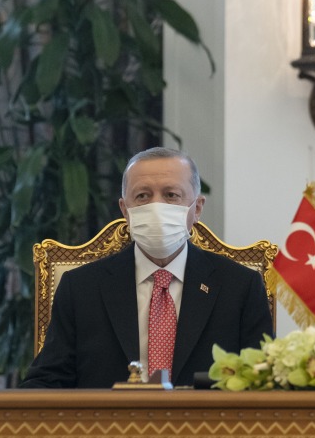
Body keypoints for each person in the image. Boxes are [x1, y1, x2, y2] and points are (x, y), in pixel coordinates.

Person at [20, 147, 273, 388]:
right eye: (143, 196)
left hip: (205, 429)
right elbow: (47, 381)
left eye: (171, 195)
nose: (156, 207)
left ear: (196, 208)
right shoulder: (81, 288)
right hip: (109, 429)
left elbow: (262, 381)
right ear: (125, 210)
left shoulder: (240, 287)